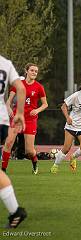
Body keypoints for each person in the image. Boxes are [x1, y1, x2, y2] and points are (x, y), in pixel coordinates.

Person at [1, 63, 48, 174]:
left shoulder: (39, 87)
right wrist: (9, 109)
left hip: (30, 120)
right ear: (26, 71)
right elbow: (8, 102)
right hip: (17, 118)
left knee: (29, 151)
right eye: (32, 70)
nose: (34, 73)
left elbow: (45, 104)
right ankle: (3, 170)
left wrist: (37, 110)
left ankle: (35, 162)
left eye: (36, 71)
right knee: (8, 143)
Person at [0, 54, 27, 228]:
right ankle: (15, 211)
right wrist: (20, 113)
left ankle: (16, 211)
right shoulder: (5, 63)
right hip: (1, 121)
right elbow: (21, 88)